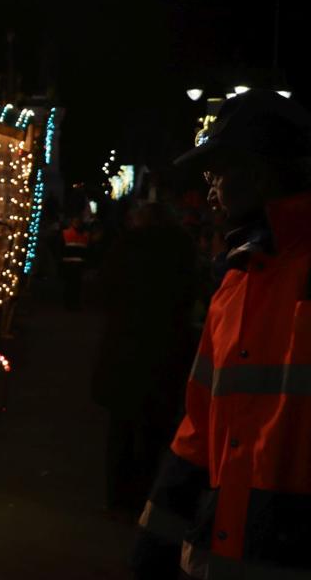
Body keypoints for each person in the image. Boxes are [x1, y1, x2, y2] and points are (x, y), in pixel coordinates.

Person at [133, 90, 311, 579]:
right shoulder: (236, 280)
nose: (209, 188)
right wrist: (156, 542)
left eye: (218, 171)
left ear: (260, 170)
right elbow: (199, 427)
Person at [92, 200, 199, 517]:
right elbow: (187, 295)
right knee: (155, 430)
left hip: (126, 348)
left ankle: (118, 497)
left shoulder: (127, 247)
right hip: (165, 348)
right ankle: (145, 497)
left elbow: (105, 291)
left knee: (122, 428)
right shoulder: (181, 250)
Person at [61, 214, 90, 309]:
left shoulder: (66, 233)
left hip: (73, 263)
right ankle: (72, 303)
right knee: (73, 285)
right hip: (73, 263)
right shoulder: (83, 234)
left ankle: (71, 303)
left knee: (73, 285)